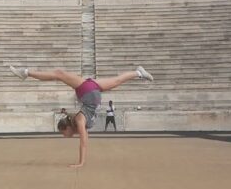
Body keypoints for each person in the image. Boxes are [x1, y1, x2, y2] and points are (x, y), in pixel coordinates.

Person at [9, 66, 153, 167]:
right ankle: (138, 73)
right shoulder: (76, 120)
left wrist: (81, 162)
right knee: (117, 81)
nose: (64, 136)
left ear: (67, 128)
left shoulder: (79, 121)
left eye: (63, 133)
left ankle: (26, 72)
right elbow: (74, 119)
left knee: (59, 74)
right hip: (92, 91)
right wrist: (66, 113)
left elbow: (84, 142)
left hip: (88, 92)